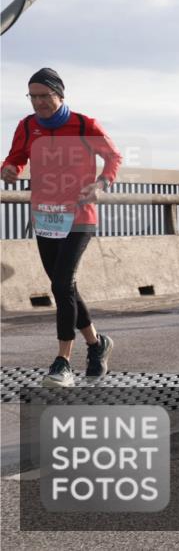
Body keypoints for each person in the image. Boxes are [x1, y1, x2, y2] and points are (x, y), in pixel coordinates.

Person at [2, 68, 122, 387]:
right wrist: (9, 169)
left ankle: (62, 363)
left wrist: (100, 184)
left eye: (45, 96)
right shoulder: (27, 126)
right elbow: (16, 157)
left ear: (60, 95)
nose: (39, 103)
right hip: (46, 217)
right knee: (63, 285)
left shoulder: (84, 124)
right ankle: (97, 345)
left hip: (80, 217)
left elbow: (113, 158)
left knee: (62, 284)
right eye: (34, 97)